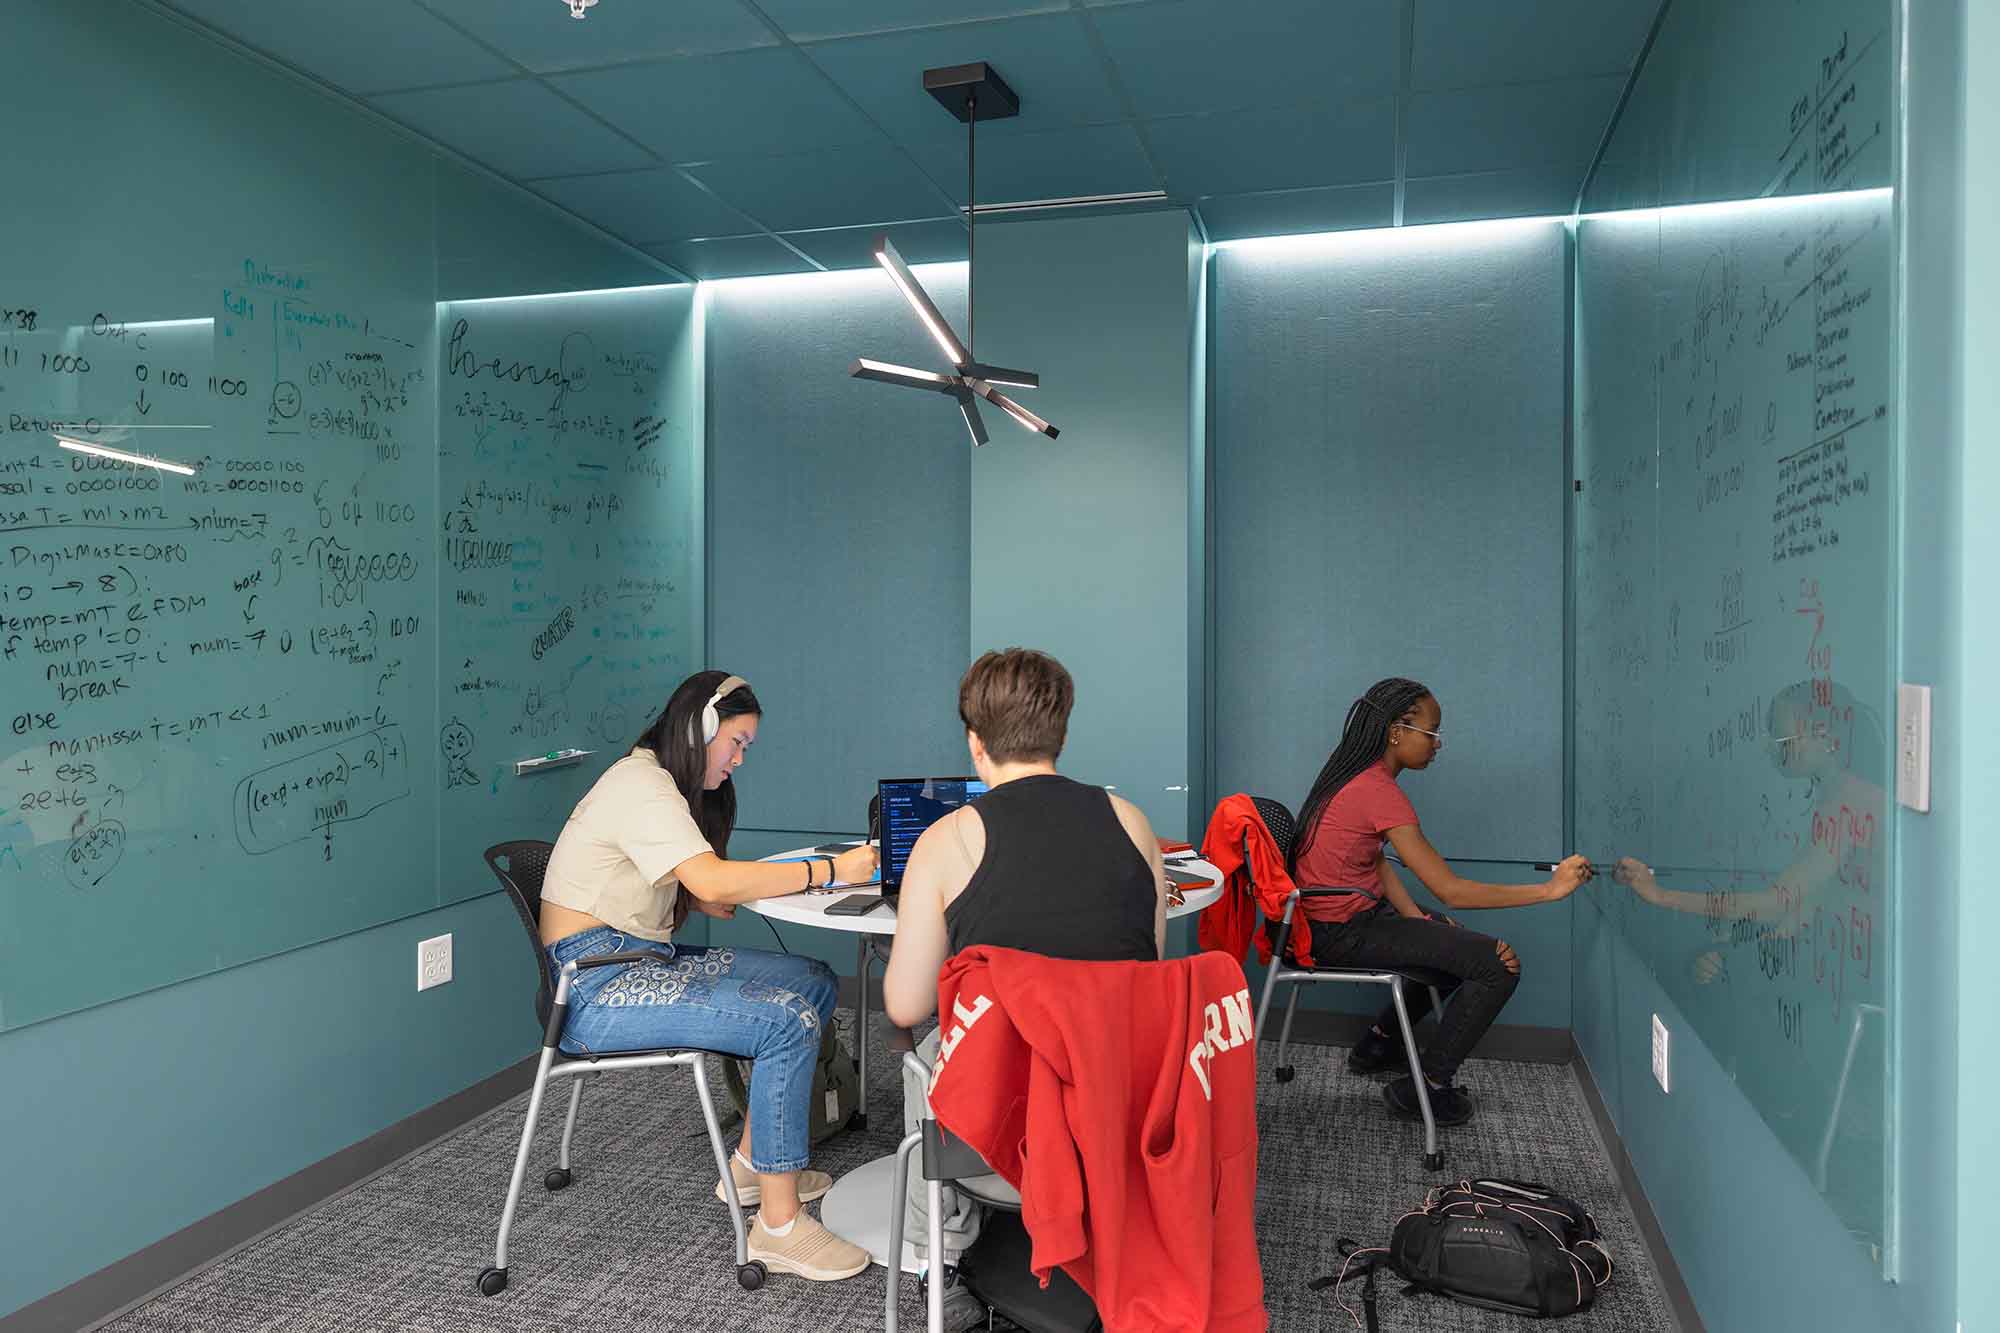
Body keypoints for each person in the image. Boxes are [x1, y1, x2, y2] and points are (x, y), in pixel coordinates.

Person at [538, 670, 879, 1283]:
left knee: (813, 981)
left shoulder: (654, 782)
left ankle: (753, 1163)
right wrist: (828, 870)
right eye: (738, 743)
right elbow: (715, 878)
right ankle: (778, 1228)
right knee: (785, 1020)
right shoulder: (640, 785)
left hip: (636, 955)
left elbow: (689, 882)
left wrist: (698, 894)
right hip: (595, 984)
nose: (739, 760)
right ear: (701, 729)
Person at [880, 649, 1167, 1315]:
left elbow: (905, 1003)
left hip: (1005, 1131)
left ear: (974, 743)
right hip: (1117, 1105)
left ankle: (941, 1261)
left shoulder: (949, 838)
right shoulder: (1132, 822)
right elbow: (1147, 972)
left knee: (922, 1058)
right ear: (1061, 733)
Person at [1289, 676, 1592, 1126]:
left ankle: (1378, 1044)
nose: (1437, 744)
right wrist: (1550, 890)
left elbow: (1376, 863)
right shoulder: (1377, 791)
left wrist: (1419, 921)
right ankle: (1426, 1089)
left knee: (1450, 940)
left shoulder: (1355, 776)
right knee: (1496, 965)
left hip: (1331, 918)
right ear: (1397, 730)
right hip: (1339, 932)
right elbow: (1448, 889)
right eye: (1432, 733)